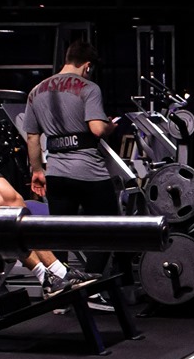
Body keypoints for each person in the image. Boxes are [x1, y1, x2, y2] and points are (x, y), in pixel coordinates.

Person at [20, 38, 120, 274]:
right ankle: (91, 282)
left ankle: (61, 289)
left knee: (60, 234)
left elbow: (32, 137)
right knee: (109, 228)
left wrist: (37, 171)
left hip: (56, 172)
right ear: (87, 66)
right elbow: (96, 129)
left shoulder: (36, 91)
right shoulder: (89, 88)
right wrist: (110, 127)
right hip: (89, 172)